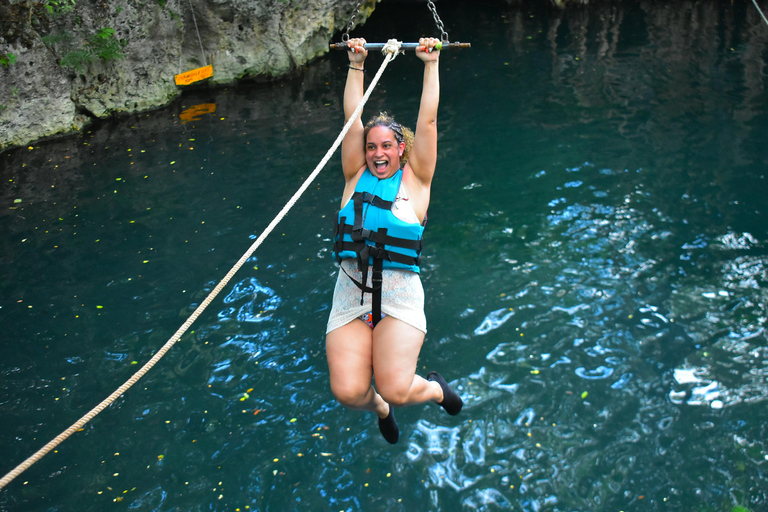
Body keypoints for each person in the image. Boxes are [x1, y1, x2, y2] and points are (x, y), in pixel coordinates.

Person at [325, 37, 462, 444]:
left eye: (386, 146)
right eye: (371, 147)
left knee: (397, 388)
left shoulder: (416, 180)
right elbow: (352, 117)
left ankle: (436, 389)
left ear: (401, 149)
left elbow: (429, 122)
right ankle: (379, 410)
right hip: (351, 296)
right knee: (349, 391)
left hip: (400, 298)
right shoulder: (354, 177)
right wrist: (356, 63)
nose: (377, 153)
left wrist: (430, 64)